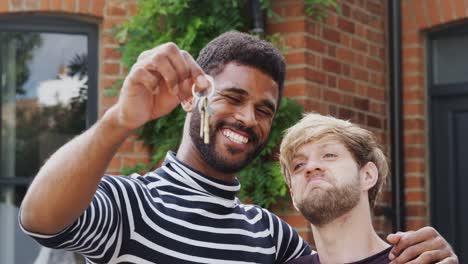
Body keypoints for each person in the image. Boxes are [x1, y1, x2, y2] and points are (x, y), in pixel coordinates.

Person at [19, 31, 456, 263]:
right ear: (194, 96)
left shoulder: (273, 237)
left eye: (264, 110)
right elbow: (40, 220)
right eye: (233, 98)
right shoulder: (134, 205)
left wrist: (433, 254)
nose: (248, 119)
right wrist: (120, 120)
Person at [279, 113, 458, 263]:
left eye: (329, 155)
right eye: (299, 165)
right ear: (293, 195)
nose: (310, 167)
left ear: (368, 175)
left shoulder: (417, 260)